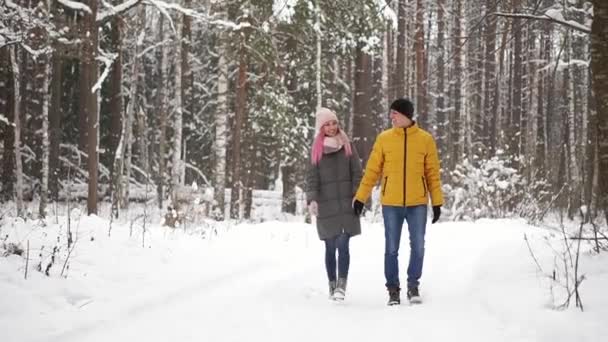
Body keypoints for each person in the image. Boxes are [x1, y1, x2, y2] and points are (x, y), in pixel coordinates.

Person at [352, 98, 443, 305]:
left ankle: (413, 285)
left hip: (417, 203)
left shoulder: (425, 139)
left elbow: (432, 174)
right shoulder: (384, 139)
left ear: (406, 116)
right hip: (391, 203)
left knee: (418, 246)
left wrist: (436, 202)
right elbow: (372, 171)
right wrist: (360, 198)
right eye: (391, 113)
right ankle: (393, 289)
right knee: (391, 248)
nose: (391, 116)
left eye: (395, 113)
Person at [306, 107, 363, 301]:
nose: (331, 127)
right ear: (321, 127)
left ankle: (341, 285)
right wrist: (312, 199)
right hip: (326, 205)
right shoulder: (317, 149)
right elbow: (312, 178)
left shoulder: (347, 145)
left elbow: (357, 172)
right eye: (327, 124)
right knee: (330, 247)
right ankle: (332, 284)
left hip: (347, 204)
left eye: (334, 123)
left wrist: (358, 195)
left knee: (343, 244)